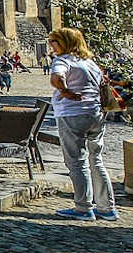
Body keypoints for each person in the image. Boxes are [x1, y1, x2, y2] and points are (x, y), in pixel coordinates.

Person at [48, 28, 117, 221]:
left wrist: (66, 91)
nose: (51, 44)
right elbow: (104, 83)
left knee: (76, 162)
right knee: (96, 159)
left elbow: (57, 78)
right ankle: (106, 207)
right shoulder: (89, 62)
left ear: (64, 42)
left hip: (72, 114)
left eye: (54, 40)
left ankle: (83, 207)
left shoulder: (62, 60)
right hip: (95, 114)